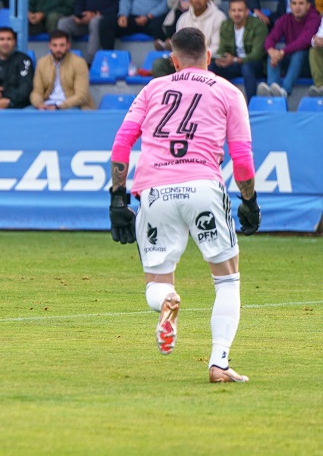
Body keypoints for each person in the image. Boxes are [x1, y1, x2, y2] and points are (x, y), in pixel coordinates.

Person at [108, 26, 260, 383]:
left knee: (156, 282)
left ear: (173, 61)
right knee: (227, 280)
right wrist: (249, 201)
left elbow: (121, 144)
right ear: (208, 57)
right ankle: (218, 362)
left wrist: (117, 197)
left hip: (155, 189)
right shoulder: (228, 91)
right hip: (202, 186)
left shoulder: (152, 88)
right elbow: (241, 156)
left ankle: (167, 300)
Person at [152, 0, 226, 77]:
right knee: (159, 64)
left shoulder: (219, 17)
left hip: (207, 60)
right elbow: (179, 44)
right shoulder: (183, 18)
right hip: (185, 60)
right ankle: (167, 92)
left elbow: (216, 47)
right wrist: (177, 55)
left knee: (211, 67)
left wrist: (196, 58)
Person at [259, 0, 320, 97]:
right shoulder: (285, 19)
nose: (297, 7)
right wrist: (272, 51)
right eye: (294, 3)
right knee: (272, 56)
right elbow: (270, 38)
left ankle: (285, 91)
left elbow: (304, 41)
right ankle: (272, 89)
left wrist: (282, 52)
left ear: (308, 5)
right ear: (290, 5)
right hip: (290, 61)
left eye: (301, 3)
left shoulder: (314, 18)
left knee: (299, 54)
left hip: (307, 64)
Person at [209, 0, 268, 102]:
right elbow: (222, 48)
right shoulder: (226, 25)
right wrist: (221, 58)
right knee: (212, 67)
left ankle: (251, 105)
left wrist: (236, 60)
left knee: (247, 67)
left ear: (247, 12)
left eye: (240, 10)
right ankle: (212, 104)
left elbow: (257, 54)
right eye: (233, 10)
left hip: (255, 65)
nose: (236, 14)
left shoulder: (258, 25)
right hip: (235, 64)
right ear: (229, 12)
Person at [30, 30, 94, 110]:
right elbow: (37, 92)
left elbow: (81, 95)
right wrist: (38, 104)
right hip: (47, 104)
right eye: (54, 45)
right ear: (49, 46)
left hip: (72, 106)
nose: (58, 49)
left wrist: (58, 107)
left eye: (62, 45)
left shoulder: (79, 63)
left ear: (68, 46)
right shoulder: (42, 63)